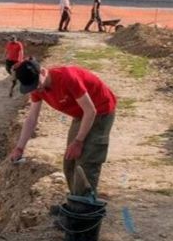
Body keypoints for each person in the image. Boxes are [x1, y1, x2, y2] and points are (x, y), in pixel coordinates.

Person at [8, 59, 116, 197]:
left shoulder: (67, 78)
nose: (36, 89)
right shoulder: (37, 88)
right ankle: (76, 200)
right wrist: (19, 148)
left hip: (101, 111)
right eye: (32, 87)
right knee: (69, 161)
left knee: (86, 161)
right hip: (81, 115)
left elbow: (91, 111)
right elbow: (31, 119)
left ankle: (87, 207)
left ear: (42, 71)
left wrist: (78, 141)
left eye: (36, 84)